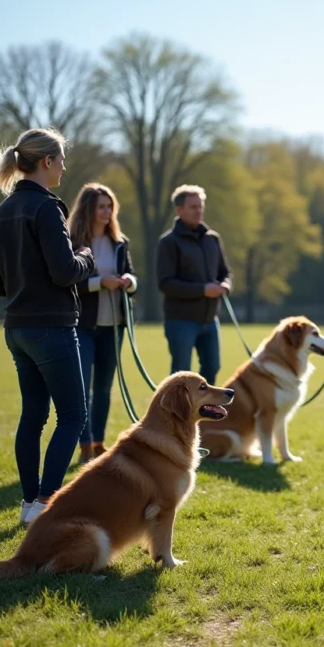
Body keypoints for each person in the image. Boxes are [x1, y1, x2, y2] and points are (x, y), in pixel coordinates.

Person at [0, 128, 95, 525]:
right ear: (47, 162)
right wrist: (87, 256)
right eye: (62, 159)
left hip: (16, 330)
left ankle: (29, 503)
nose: (65, 167)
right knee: (72, 416)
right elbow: (66, 272)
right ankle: (45, 503)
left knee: (33, 415)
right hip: (51, 328)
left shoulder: (3, 210)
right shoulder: (47, 208)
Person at [68, 184, 138, 464]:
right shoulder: (72, 241)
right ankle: (84, 444)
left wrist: (129, 282)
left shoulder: (120, 242)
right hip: (83, 325)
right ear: (88, 209)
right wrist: (99, 283)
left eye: (110, 206)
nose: (107, 212)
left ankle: (98, 443)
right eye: (101, 206)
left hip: (114, 325)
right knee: (82, 387)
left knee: (104, 388)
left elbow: (131, 275)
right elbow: (68, 281)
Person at [156, 185, 232, 385]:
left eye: (200, 206)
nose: (199, 210)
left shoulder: (213, 239)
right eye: (193, 206)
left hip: (210, 320)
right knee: (180, 376)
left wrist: (225, 285)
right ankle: (175, 416)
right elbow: (165, 283)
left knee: (212, 368)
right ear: (179, 210)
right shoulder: (168, 242)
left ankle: (202, 413)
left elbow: (226, 272)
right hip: (181, 321)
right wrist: (203, 290)